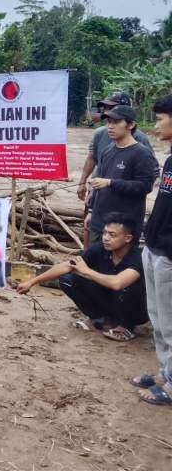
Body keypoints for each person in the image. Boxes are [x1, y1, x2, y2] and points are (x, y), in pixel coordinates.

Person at [17, 212, 148, 341]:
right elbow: (67, 265)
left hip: (136, 310)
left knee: (127, 288)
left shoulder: (138, 257)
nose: (106, 238)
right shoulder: (100, 249)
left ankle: (126, 327)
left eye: (112, 235)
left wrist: (87, 271)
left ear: (128, 238)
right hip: (110, 300)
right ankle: (99, 319)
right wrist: (32, 282)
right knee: (68, 279)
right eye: (104, 233)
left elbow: (117, 283)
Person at [133, 94, 172, 406]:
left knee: (171, 320)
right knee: (158, 317)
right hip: (156, 246)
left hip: (169, 252)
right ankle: (166, 372)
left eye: (160, 118)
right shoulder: (171, 159)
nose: (156, 124)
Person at [77, 92, 156, 248]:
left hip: (122, 226)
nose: (110, 126)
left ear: (130, 125)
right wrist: (92, 211)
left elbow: (145, 186)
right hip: (100, 222)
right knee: (94, 262)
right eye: (109, 122)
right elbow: (99, 185)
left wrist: (111, 182)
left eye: (116, 122)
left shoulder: (141, 153)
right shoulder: (107, 151)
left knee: (116, 269)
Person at [77, 92, 154, 201]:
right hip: (97, 191)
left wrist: (126, 189)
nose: (108, 112)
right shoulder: (100, 135)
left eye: (112, 108)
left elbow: (148, 178)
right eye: (106, 108)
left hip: (124, 199)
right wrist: (82, 183)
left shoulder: (140, 141)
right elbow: (92, 159)